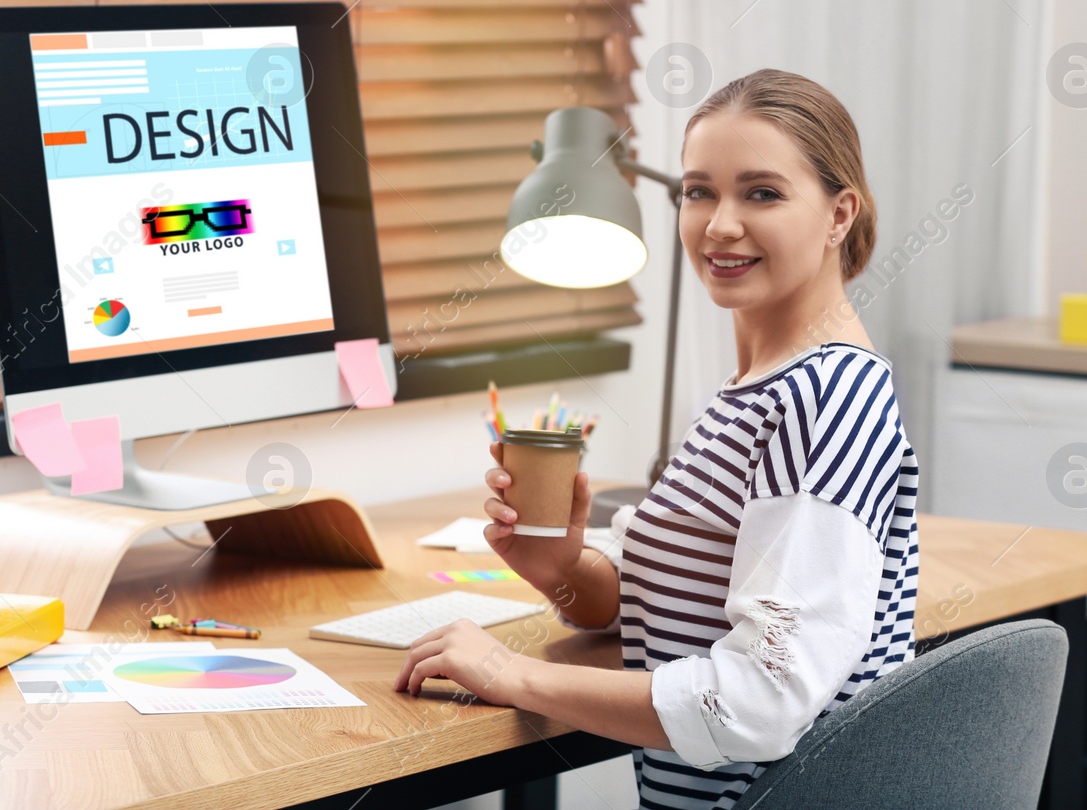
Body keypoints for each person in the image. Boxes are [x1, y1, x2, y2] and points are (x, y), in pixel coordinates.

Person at [394, 68, 920, 809]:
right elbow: (671, 604)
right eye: (700, 190)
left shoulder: (828, 396)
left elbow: (759, 700)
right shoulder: (755, 389)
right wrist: (561, 566)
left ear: (839, 214)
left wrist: (512, 673)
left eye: (761, 192)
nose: (720, 223)